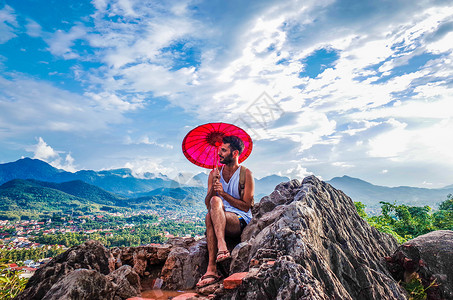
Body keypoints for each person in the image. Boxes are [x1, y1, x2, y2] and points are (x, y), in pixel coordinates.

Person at [196, 135, 254, 288]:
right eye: (219, 150)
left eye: (223, 150)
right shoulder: (214, 173)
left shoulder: (245, 174)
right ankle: (217, 258)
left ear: (234, 153)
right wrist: (214, 185)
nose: (219, 153)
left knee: (212, 212)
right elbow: (208, 203)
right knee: (212, 208)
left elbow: (246, 206)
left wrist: (223, 194)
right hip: (217, 216)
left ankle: (213, 265)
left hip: (238, 219)